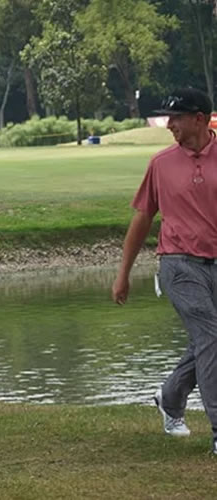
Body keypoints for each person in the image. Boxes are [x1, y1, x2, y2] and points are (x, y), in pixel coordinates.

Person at [112, 87, 217, 455]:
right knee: (211, 338)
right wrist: (123, 273)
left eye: (177, 117)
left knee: (208, 341)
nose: (169, 124)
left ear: (200, 119)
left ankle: (169, 397)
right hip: (179, 263)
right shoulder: (161, 164)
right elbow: (142, 218)